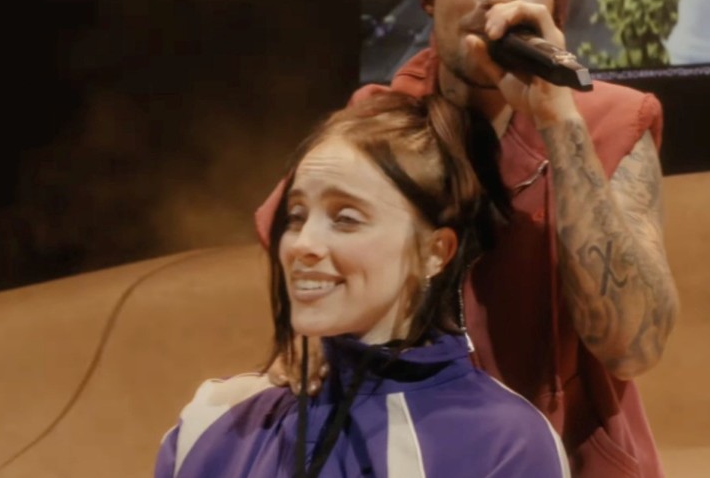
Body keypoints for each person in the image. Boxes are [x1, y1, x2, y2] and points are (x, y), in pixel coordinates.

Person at [258, 0, 679, 478]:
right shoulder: (378, 122)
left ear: (554, 10)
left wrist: (558, 120)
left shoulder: (612, 122)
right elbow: (298, 249)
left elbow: (633, 346)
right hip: (420, 452)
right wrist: (307, 336)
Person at [155, 92, 571, 477]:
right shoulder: (211, 420)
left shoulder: (504, 444)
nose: (302, 244)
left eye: (345, 219)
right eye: (296, 216)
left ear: (435, 252)